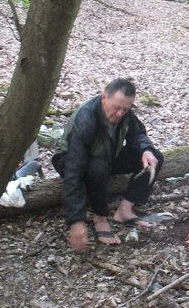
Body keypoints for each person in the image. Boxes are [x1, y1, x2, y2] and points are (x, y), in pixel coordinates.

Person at [52, 78, 164, 251]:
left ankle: (125, 210)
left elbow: (137, 133)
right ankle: (100, 218)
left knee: (155, 157)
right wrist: (76, 220)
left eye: (125, 109)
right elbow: (74, 170)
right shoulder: (86, 119)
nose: (120, 114)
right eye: (117, 108)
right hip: (70, 159)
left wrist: (146, 149)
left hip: (107, 156)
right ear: (104, 98)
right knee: (98, 168)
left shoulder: (124, 112)